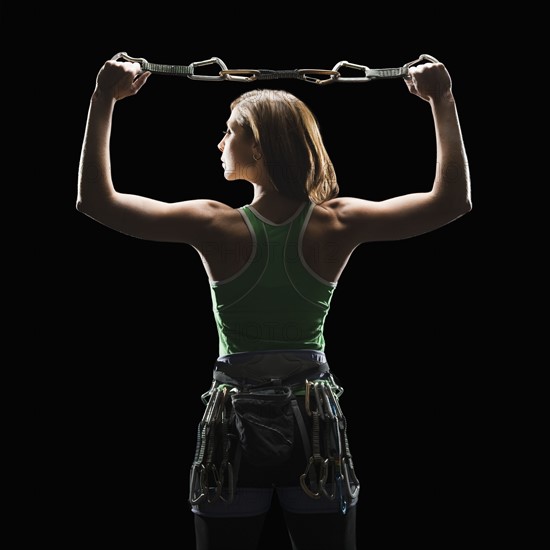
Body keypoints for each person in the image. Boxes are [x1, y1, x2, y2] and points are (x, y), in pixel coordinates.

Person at [77, 56, 471, 550]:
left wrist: (103, 101)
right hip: (313, 421)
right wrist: (442, 100)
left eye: (229, 131)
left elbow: (95, 200)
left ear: (258, 145)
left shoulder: (214, 223)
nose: (219, 143)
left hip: (232, 419)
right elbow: (452, 201)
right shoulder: (337, 223)